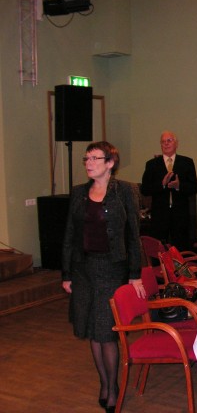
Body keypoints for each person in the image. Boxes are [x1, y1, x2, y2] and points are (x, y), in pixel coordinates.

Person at [62, 141, 145, 413]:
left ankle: (114, 387)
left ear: (110, 163)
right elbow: (70, 235)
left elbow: (133, 235)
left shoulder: (125, 191)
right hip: (83, 269)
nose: (88, 163)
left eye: (95, 158)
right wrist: (66, 273)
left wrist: (135, 274)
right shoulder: (78, 193)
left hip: (111, 269)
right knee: (92, 331)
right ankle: (104, 384)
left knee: (106, 331)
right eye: (86, 158)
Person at [141, 131, 197, 251]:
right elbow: (145, 189)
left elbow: (194, 188)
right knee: (159, 251)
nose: (166, 144)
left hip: (180, 215)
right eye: (163, 142)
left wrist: (179, 186)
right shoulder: (152, 164)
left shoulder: (187, 162)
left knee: (181, 250)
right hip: (159, 216)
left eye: (169, 141)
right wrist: (162, 185)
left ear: (176, 144)